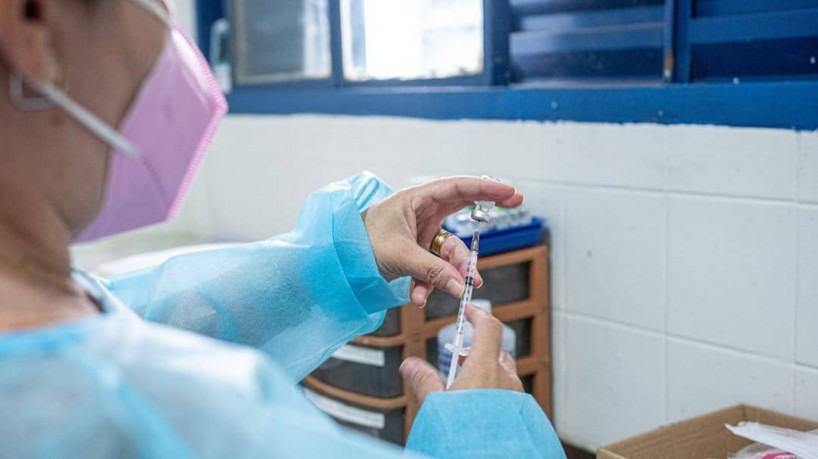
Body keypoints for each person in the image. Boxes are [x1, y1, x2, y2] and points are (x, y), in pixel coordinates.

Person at [0, 0, 566, 457]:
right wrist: (491, 436)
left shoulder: (44, 325)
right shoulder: (134, 418)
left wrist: (345, 257)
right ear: (31, 18)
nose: (171, 23)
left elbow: (148, 326)